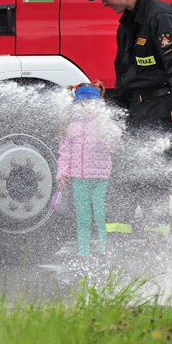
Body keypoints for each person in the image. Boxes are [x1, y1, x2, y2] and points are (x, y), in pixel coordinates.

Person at [87, 0, 172, 242]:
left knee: (154, 179)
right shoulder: (127, 25)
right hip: (137, 110)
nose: (103, 3)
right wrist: (108, 104)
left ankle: (155, 243)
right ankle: (119, 243)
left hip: (161, 107)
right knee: (126, 176)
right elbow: (127, 76)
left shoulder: (159, 15)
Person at [56, 82, 120, 256]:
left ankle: (103, 250)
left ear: (96, 103)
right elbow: (65, 153)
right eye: (82, 103)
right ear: (76, 103)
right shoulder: (71, 125)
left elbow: (113, 144)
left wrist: (106, 130)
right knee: (83, 218)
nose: (85, 107)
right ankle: (83, 253)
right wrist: (63, 173)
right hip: (79, 179)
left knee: (99, 216)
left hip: (100, 178)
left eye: (89, 103)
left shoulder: (102, 122)